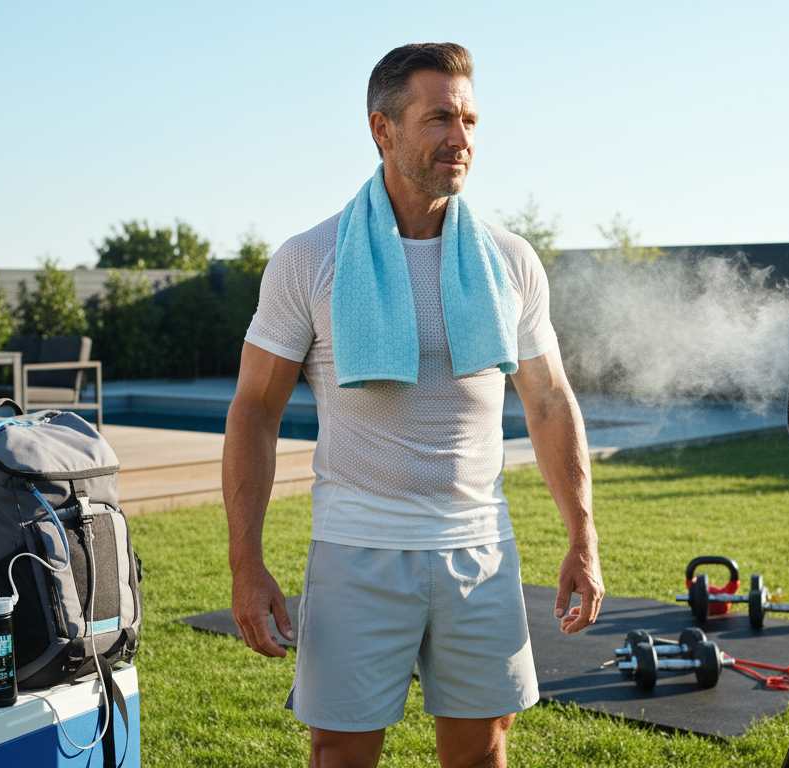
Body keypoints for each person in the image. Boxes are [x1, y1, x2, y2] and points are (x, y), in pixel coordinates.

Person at [222, 42, 603, 768]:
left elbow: (550, 402)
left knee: (482, 751)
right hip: (356, 550)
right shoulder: (309, 258)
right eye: (439, 119)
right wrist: (247, 562)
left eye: (469, 120)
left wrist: (582, 538)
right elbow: (254, 411)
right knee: (340, 754)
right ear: (383, 129)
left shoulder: (509, 260)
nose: (460, 138)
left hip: (480, 550)